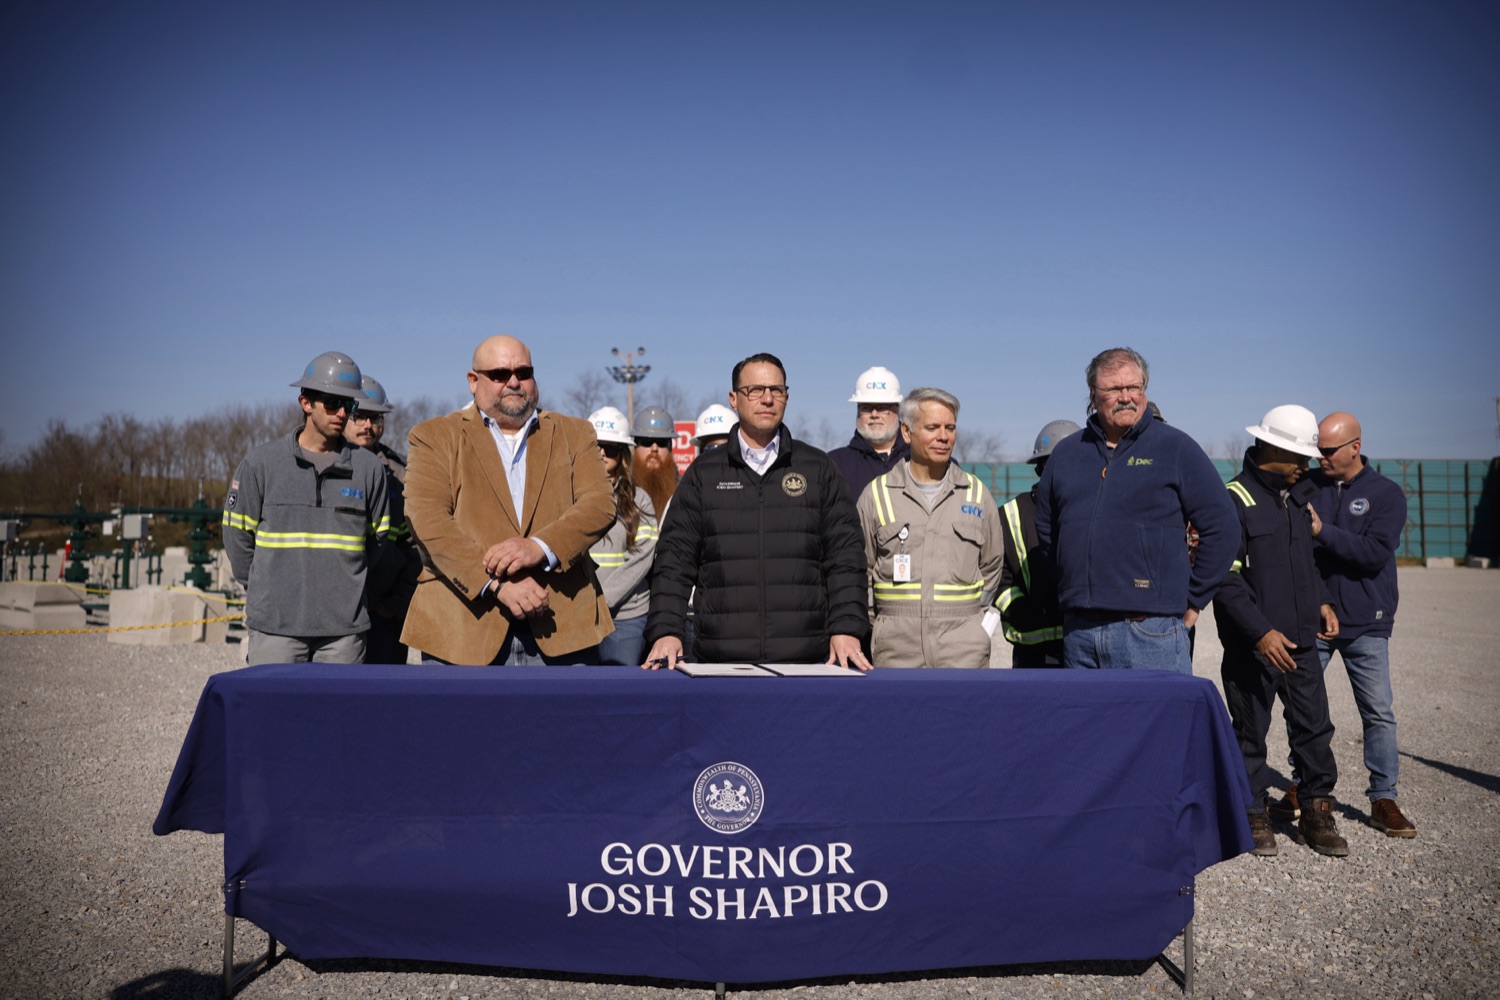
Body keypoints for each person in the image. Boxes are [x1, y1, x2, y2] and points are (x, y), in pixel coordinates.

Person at [642, 352, 871, 669]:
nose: (767, 399)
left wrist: (846, 627)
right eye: (754, 390)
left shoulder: (818, 469)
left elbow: (845, 558)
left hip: (806, 660)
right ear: (734, 399)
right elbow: (674, 560)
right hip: (721, 660)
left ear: (787, 397)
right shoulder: (704, 474)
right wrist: (667, 630)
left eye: (776, 390)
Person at [401, 335, 616, 665]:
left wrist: (538, 547)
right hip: (461, 630)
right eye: (500, 374)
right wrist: (495, 584)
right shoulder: (434, 436)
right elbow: (427, 519)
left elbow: (599, 505)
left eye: (524, 372)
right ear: (473, 381)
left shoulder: (575, 433)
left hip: (563, 628)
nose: (514, 382)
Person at [1036, 347, 1237, 673]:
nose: (1126, 397)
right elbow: (1048, 530)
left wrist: (1193, 599)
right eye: (1114, 389)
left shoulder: (1175, 448)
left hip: (1150, 632)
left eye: (1134, 387)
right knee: (1085, 711)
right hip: (1079, 633)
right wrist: (1074, 582)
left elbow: (1223, 526)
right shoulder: (1067, 454)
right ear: (1093, 395)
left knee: (1159, 710)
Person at [1270, 412, 1417, 838]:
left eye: (1329, 450)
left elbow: (1373, 554)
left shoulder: (1386, 494)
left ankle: (1383, 798)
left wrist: (1322, 531)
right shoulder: (1306, 485)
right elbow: (1296, 550)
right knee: (1303, 708)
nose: (1320, 456)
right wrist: (1319, 600)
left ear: (1356, 447)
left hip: (1367, 621)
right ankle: (1304, 786)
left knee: (1378, 712)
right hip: (1313, 618)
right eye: (1318, 448)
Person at [1215, 405, 1347, 857]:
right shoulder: (1232, 500)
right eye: (1299, 456)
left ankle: (1316, 812)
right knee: (1249, 735)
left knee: (1314, 730)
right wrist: (1260, 633)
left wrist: (1322, 601)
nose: (1306, 465)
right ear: (1272, 449)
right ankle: (1252, 813)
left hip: (1302, 642)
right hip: (1254, 647)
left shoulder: (1298, 498)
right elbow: (1225, 579)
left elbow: (1306, 563)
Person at [223, 352, 390, 665]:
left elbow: (377, 541)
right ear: (306, 403)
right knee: (273, 700)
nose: (343, 413)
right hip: (275, 629)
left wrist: (346, 588)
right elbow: (237, 539)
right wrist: (265, 591)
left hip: (343, 634)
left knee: (338, 701)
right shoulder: (262, 464)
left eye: (349, 405)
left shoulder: (369, 470)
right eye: (333, 403)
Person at [855, 387, 1003, 668]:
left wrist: (975, 626)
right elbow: (860, 571)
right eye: (933, 428)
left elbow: (992, 565)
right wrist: (883, 626)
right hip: (896, 652)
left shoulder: (976, 495)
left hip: (964, 654)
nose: (944, 437)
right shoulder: (877, 495)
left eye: (950, 428)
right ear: (907, 432)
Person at [348, 374, 421, 664]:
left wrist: (396, 604)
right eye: (360, 416)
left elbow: (416, 547)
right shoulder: (321, 466)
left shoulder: (402, 473)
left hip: (384, 617)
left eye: (376, 418)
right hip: (335, 612)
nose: (368, 425)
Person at [995, 419, 1079, 668]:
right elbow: (996, 575)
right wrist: (1021, 612)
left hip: (1083, 644)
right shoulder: (1010, 514)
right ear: (1040, 468)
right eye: (1052, 464)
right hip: (1030, 649)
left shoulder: (1094, 513)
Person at [587, 406, 659, 665]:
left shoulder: (640, 499)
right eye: (596, 446)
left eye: (610, 448)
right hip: (580, 617)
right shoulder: (568, 496)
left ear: (623, 453)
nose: (602, 453)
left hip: (626, 618)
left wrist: (601, 599)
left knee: (618, 688)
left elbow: (642, 557)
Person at [828, 366, 910, 500]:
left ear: (898, 410)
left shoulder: (919, 459)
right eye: (866, 408)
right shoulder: (834, 463)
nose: (874, 414)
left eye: (882, 407)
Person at [632, 405, 679, 521]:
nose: (654, 448)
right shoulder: (623, 487)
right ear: (635, 446)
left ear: (670, 447)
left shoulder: (685, 489)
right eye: (646, 442)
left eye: (661, 442)